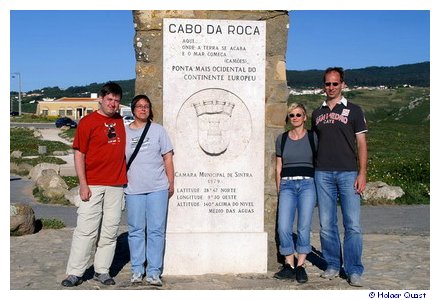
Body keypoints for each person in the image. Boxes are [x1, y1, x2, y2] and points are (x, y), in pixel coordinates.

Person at [61, 82, 127, 287]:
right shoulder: (88, 122)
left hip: (116, 185)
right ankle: (75, 272)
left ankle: (102, 270)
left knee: (109, 230)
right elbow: (79, 153)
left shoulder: (122, 123)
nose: (113, 104)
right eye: (109, 100)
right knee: (86, 230)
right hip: (93, 184)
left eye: (116, 100)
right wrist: (83, 184)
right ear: (100, 99)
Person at [311, 67, 368, 287]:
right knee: (326, 224)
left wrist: (362, 173)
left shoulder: (354, 110)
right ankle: (333, 264)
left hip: (348, 173)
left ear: (342, 84)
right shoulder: (317, 113)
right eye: (327, 84)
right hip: (322, 173)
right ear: (323, 86)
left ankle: (354, 269)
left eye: (335, 83)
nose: (331, 87)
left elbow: (362, 144)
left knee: (352, 224)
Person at [124, 95, 175, 286]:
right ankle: (137, 269)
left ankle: (154, 271)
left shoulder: (158, 131)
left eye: (146, 106)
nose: (143, 109)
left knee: (156, 230)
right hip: (134, 188)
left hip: (157, 188)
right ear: (133, 109)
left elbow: (168, 158)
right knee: (136, 230)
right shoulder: (125, 133)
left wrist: (171, 182)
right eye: (139, 106)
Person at [274, 103, 318, 284]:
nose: (295, 118)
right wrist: (279, 187)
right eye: (291, 115)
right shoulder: (282, 139)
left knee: (303, 226)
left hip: (307, 184)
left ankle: (301, 265)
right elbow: (278, 166)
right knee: (284, 226)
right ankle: (289, 264)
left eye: (298, 115)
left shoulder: (313, 138)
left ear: (305, 117)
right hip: (287, 186)